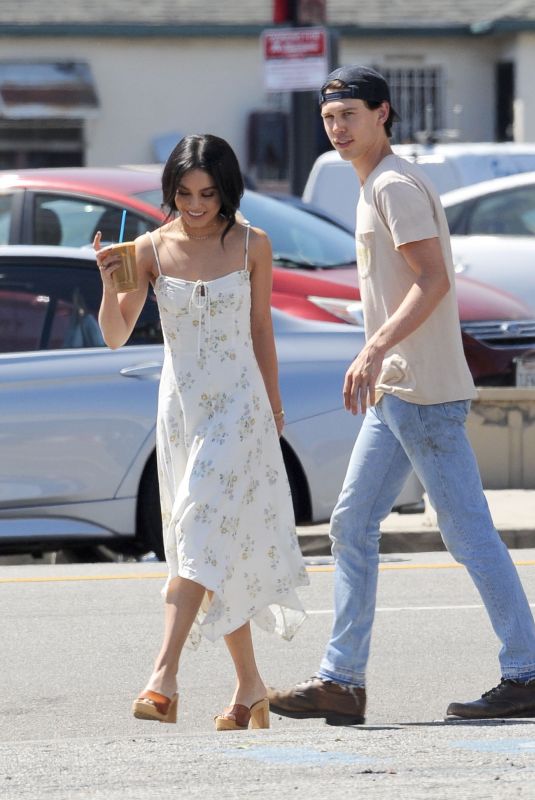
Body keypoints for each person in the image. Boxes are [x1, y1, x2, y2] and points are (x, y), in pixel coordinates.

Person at [267, 66, 535, 725]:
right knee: (350, 524)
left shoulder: (391, 185)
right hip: (399, 393)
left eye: (349, 115)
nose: (337, 128)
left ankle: (526, 672)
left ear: (383, 114)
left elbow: (432, 280)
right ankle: (342, 681)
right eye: (329, 118)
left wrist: (371, 346)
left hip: (421, 392)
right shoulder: (373, 185)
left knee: (466, 532)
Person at [95, 134, 308, 730]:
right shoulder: (149, 248)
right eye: (184, 193)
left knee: (195, 528)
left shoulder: (252, 244)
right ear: (170, 192)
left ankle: (162, 678)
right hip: (182, 412)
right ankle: (250, 690)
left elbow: (262, 330)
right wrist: (111, 282)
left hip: (240, 411)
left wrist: (274, 408)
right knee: (212, 546)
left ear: (226, 191)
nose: (195, 204)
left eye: (208, 193)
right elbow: (116, 334)